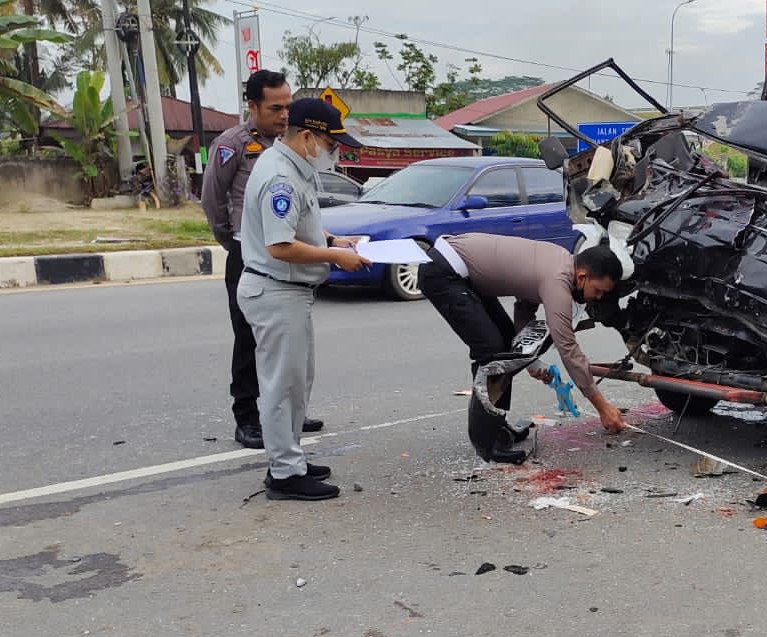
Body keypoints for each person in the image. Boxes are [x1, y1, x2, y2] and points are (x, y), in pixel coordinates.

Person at [235, 98, 370, 501]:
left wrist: (330, 239)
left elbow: (300, 226)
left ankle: (289, 459)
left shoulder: (294, 168)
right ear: (308, 137)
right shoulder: (280, 176)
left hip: (287, 292)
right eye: (332, 144)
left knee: (296, 382)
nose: (335, 153)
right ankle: (285, 474)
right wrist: (336, 256)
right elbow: (280, 246)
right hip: (276, 289)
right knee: (282, 386)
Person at [420, 232, 627, 459]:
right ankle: (487, 444)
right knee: (492, 355)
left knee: (506, 349)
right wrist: (602, 407)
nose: (596, 298)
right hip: (443, 272)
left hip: (462, 273)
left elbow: (524, 309)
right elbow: (567, 347)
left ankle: (496, 427)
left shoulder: (560, 259)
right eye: (597, 291)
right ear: (582, 276)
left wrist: (531, 363)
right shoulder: (558, 280)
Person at [203, 69, 326, 450]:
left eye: (288, 106)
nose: (284, 114)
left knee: (290, 343)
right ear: (253, 106)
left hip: (286, 254)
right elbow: (212, 199)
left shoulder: (290, 148)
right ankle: (248, 417)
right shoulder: (233, 144)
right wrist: (234, 243)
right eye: (275, 107)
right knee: (249, 338)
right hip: (251, 253)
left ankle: (289, 413)